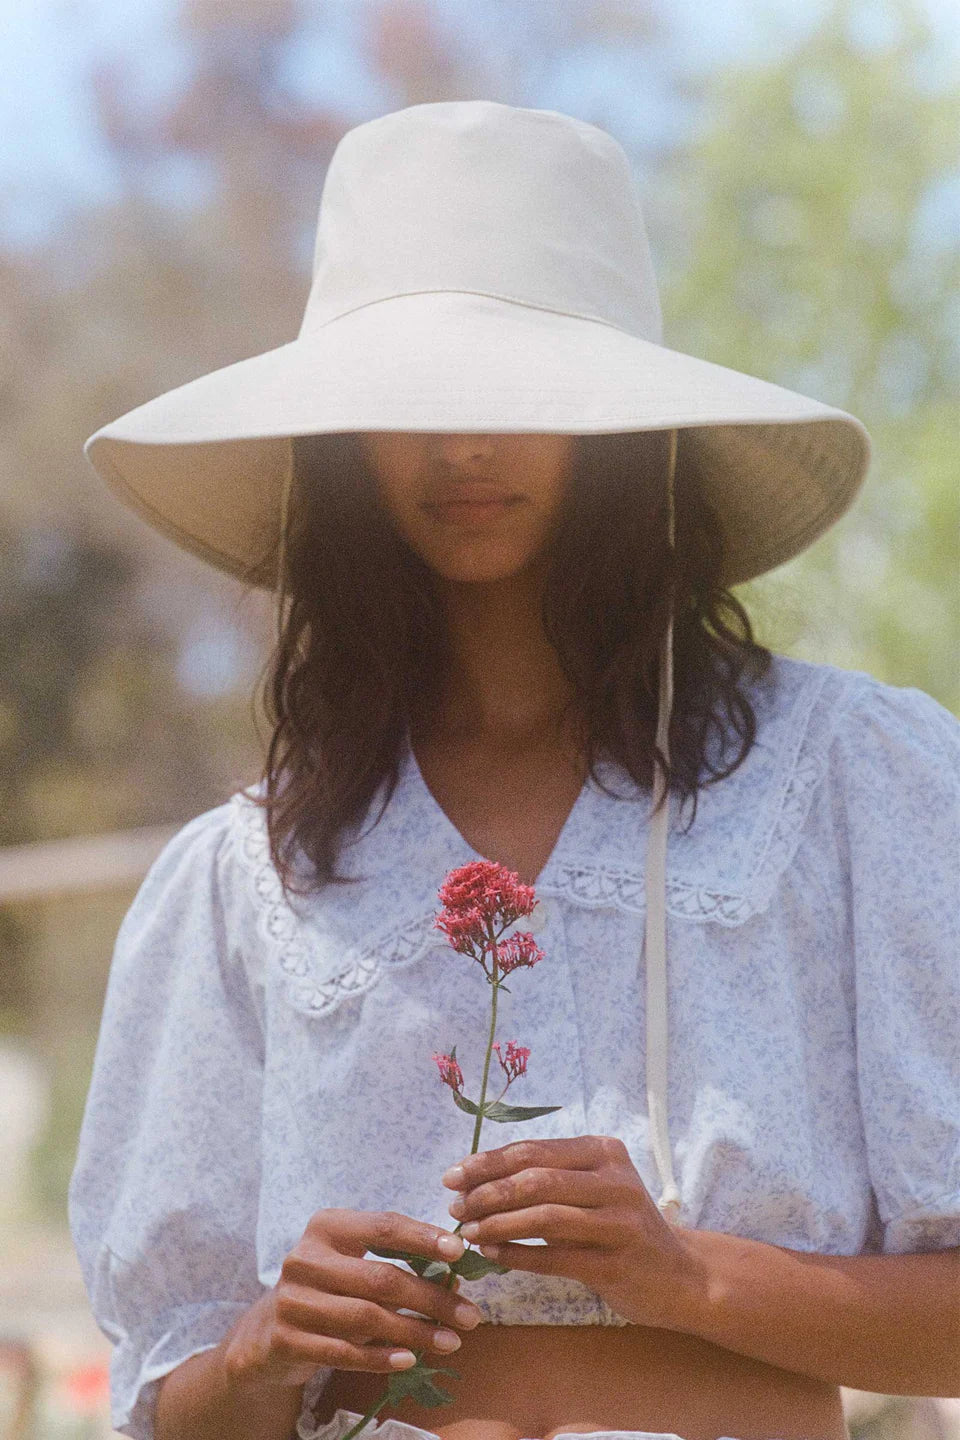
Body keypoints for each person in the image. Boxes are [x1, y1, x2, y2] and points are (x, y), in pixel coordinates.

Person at [68, 101, 959, 1440]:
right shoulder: (250, 876)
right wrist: (260, 1351)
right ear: (341, 445)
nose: (462, 447)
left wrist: (688, 1273)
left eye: (515, 397)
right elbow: (167, 1405)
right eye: (407, 403)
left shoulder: (847, 782)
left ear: (624, 427)